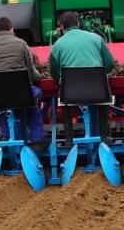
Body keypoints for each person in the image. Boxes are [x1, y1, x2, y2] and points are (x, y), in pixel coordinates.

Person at [0, 17, 45, 149]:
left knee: (4, 102)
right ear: (12, 30)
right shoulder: (21, 44)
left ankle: (5, 135)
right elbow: (31, 73)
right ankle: (36, 139)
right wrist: (39, 76)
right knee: (34, 97)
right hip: (21, 93)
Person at [49, 11, 115, 142]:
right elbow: (110, 64)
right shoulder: (97, 38)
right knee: (104, 97)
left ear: (61, 27)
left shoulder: (57, 45)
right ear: (78, 23)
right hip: (98, 91)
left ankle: (69, 139)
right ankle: (103, 136)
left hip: (70, 93)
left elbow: (54, 72)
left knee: (63, 99)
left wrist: (61, 82)